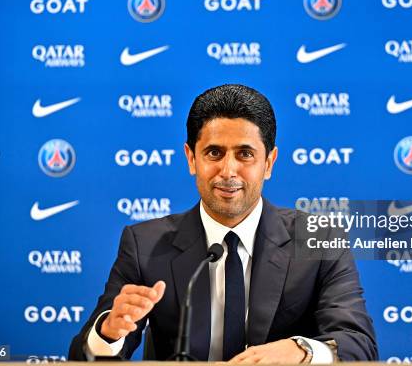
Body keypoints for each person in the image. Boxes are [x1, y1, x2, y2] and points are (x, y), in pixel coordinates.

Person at [68, 84, 377, 362]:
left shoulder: (318, 239)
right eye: (214, 153)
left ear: (268, 163)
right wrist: (109, 333)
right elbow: (84, 355)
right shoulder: (145, 245)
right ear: (191, 158)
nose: (228, 171)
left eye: (245, 154)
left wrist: (301, 350)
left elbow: (358, 344)